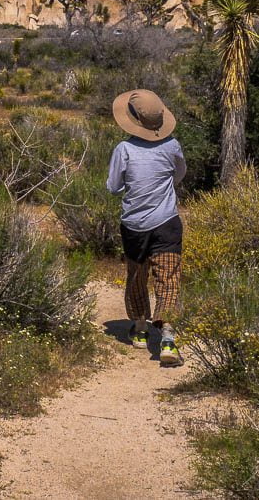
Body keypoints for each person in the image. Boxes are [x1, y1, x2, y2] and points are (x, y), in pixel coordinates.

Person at [106, 89, 186, 366]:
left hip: (134, 225)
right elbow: (179, 174)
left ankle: (140, 329)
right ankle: (167, 339)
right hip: (167, 223)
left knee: (137, 275)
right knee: (169, 278)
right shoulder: (172, 146)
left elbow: (113, 186)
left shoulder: (124, 150)